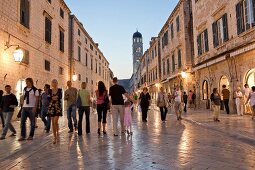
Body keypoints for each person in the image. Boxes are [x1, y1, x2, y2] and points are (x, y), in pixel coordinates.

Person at [47, 79, 62, 144]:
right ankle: (55, 137)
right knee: (53, 122)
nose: (54, 83)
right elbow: (48, 97)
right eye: (53, 82)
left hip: (57, 107)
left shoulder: (59, 90)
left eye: (55, 82)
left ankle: (57, 132)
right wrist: (53, 97)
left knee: (55, 121)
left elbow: (60, 97)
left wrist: (54, 97)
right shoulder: (49, 90)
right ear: (51, 83)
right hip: (51, 107)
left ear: (57, 83)